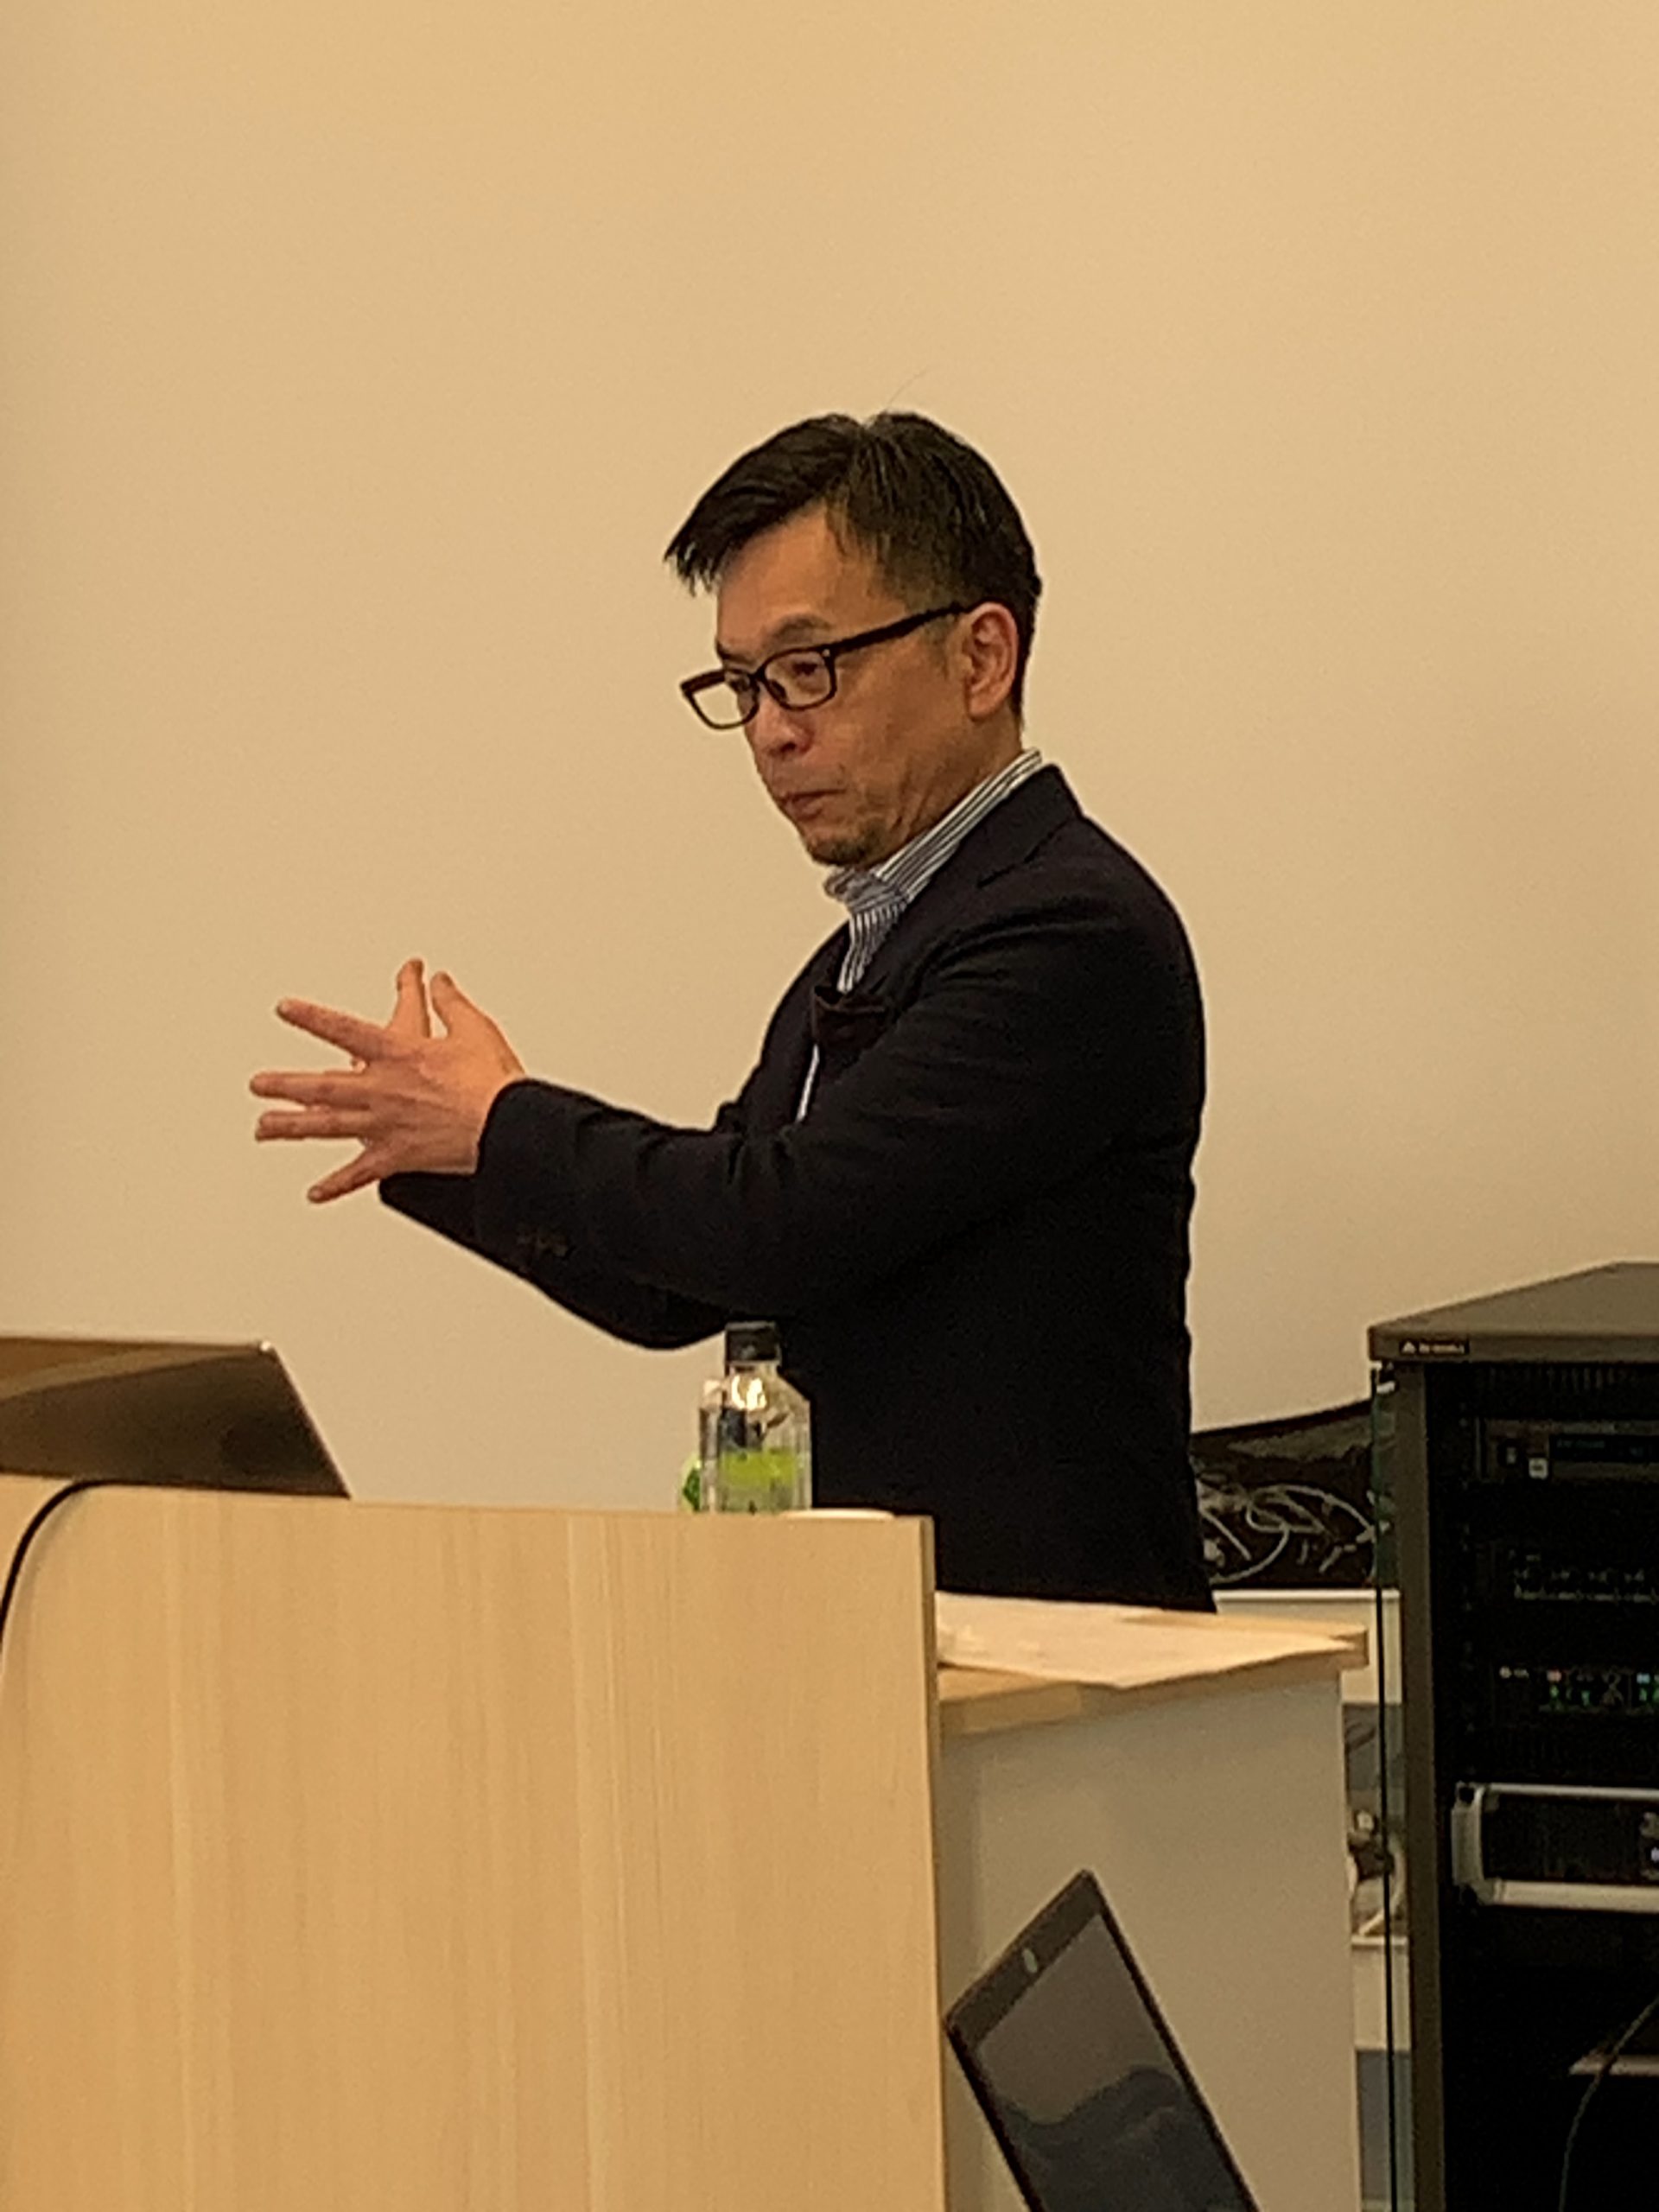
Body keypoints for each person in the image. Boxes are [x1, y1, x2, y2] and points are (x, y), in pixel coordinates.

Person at [251, 411, 1209, 1605]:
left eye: (810, 669)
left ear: (981, 658)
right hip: (871, 1642)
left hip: (1071, 1667)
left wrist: (505, 1123)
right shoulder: (860, 954)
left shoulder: (1069, 931)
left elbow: (779, 1223)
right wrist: (448, 1145)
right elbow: (683, 1287)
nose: (770, 729)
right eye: (744, 684)